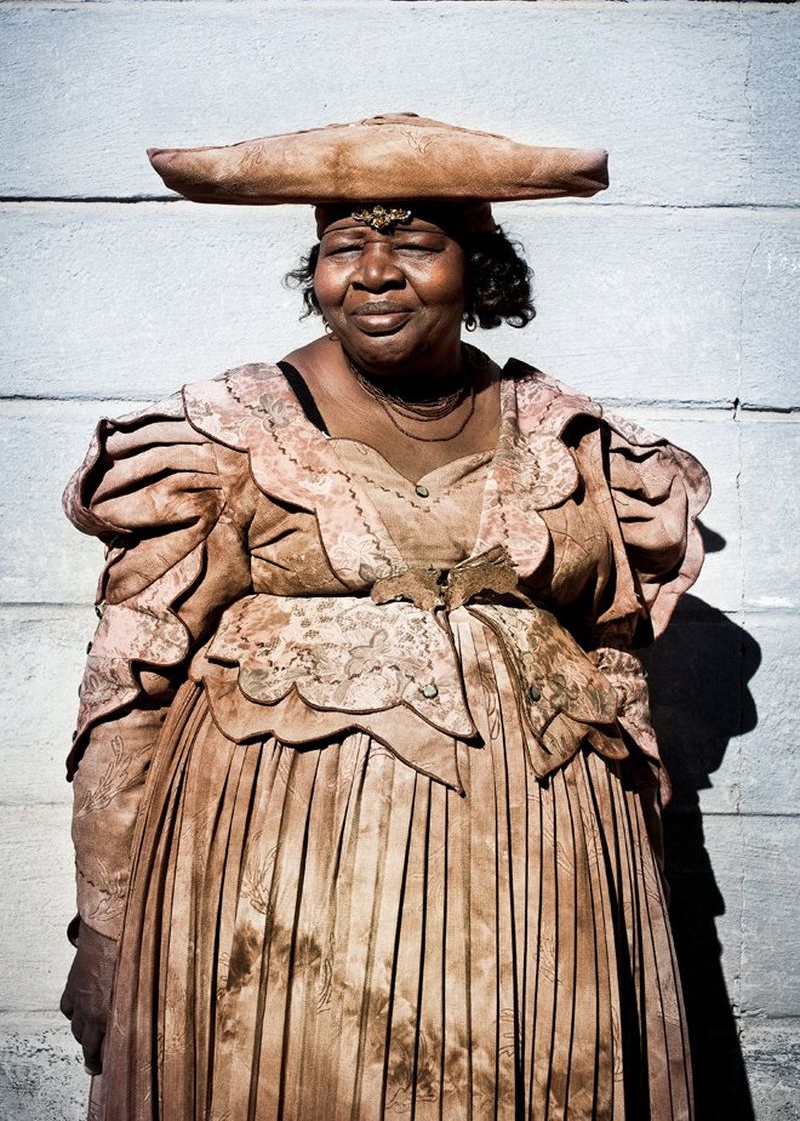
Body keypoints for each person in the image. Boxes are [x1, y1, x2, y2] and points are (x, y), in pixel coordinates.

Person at [59, 114, 710, 1120]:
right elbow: (125, 684)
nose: (371, 273)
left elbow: (612, 660)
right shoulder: (235, 433)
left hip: (530, 880)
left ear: (478, 270)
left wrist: (636, 889)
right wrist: (105, 921)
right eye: (340, 246)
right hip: (278, 887)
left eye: (411, 242)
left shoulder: (568, 441)